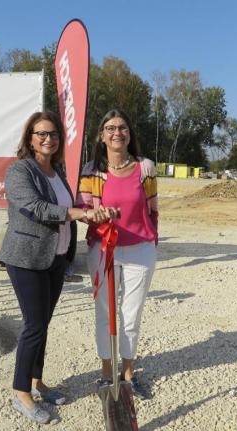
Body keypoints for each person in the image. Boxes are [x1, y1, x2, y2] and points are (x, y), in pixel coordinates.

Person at [0, 111, 114, 424]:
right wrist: (78, 213)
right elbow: (36, 208)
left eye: (53, 134)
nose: (48, 139)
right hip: (26, 258)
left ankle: (37, 381)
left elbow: (68, 206)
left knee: (43, 323)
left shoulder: (57, 170)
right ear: (30, 138)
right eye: (41, 134)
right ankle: (21, 392)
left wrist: (91, 212)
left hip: (55, 257)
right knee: (34, 324)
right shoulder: (20, 170)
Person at [77, 109, 158, 400]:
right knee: (105, 312)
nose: (117, 132)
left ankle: (128, 376)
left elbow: (153, 209)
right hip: (103, 249)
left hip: (140, 251)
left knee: (131, 314)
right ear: (101, 136)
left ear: (129, 134)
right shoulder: (90, 170)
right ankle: (105, 373)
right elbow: (82, 211)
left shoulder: (145, 167)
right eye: (110, 127)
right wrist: (95, 214)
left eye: (122, 127)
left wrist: (153, 240)